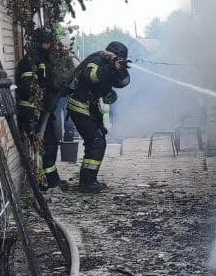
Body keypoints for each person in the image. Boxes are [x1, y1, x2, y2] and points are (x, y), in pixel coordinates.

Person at [66, 41, 131, 193]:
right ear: (111, 54)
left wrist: (120, 69)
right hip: (80, 105)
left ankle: (89, 180)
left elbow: (124, 82)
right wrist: (109, 67)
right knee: (96, 142)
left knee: (96, 141)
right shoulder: (97, 60)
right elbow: (91, 77)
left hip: (90, 107)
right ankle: (87, 183)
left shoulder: (113, 65)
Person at [15, 27, 68, 191]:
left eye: (49, 43)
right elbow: (27, 88)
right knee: (42, 147)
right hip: (32, 113)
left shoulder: (46, 62)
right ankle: (43, 182)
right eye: (44, 43)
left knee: (50, 145)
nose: (47, 46)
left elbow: (49, 82)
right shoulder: (28, 63)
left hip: (43, 112)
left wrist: (60, 88)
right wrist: (48, 93)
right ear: (36, 43)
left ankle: (51, 180)